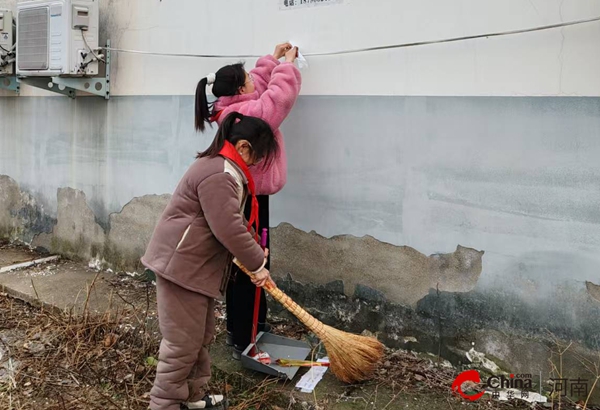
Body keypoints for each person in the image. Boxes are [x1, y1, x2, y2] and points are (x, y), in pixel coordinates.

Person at [141, 112, 278, 410]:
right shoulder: (220, 173)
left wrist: (255, 248)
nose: (256, 165)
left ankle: (190, 398)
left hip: (194, 268)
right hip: (182, 267)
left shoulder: (224, 168)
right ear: (243, 147)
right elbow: (227, 227)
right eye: (258, 157)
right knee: (181, 345)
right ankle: (164, 404)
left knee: (199, 338)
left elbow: (234, 220)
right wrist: (257, 263)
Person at [194, 43, 302, 359]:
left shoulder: (236, 107)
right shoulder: (244, 116)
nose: (255, 81)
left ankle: (251, 329)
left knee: (255, 261)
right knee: (248, 265)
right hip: (248, 200)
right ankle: (245, 336)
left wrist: (272, 57)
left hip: (256, 196)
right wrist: (288, 66)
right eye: (249, 80)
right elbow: (276, 101)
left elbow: (260, 86)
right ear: (241, 88)